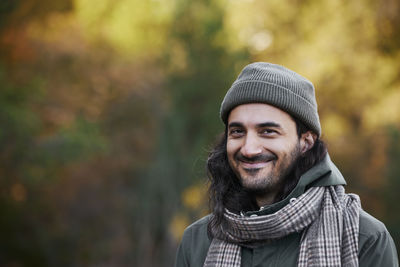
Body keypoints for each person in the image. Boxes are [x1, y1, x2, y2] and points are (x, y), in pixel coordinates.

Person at [174, 62, 398, 267]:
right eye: (237, 132)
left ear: (305, 142)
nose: (249, 148)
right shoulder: (198, 241)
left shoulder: (364, 239)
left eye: (268, 132)